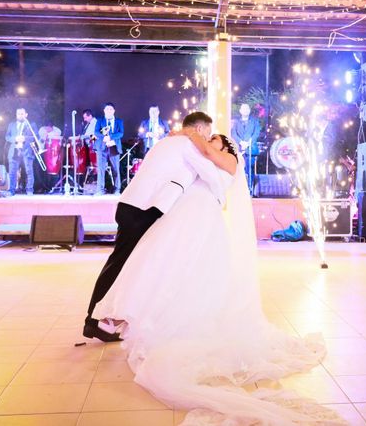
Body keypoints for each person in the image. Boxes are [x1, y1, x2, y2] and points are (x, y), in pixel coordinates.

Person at [90, 128, 339, 424]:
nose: (209, 143)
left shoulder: (225, 162)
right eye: (210, 140)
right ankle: (143, 316)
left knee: (193, 275)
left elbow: (206, 156)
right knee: (163, 268)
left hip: (201, 220)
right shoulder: (207, 159)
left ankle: (175, 323)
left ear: (227, 148)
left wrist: (188, 134)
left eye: (215, 140)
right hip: (182, 217)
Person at [82, 111, 225, 342]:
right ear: (198, 130)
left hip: (131, 204)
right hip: (143, 209)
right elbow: (209, 171)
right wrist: (222, 198)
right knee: (122, 264)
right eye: (207, 134)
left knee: (123, 262)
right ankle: (93, 320)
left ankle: (104, 320)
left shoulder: (165, 142)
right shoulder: (187, 144)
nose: (206, 140)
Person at [4, 107, 37, 195]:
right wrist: (15, 138)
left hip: (26, 150)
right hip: (14, 150)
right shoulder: (11, 125)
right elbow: (7, 137)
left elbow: (35, 137)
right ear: (16, 115)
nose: (20, 115)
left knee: (29, 171)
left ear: (26, 115)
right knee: (12, 172)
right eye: (18, 114)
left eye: (22, 114)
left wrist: (24, 138)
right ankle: (11, 190)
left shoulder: (31, 124)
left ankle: (29, 190)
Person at [94, 102, 124, 195]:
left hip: (114, 146)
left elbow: (121, 133)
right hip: (102, 147)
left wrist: (110, 137)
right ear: (104, 111)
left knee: (116, 169)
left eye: (111, 109)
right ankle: (100, 190)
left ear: (114, 111)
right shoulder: (100, 120)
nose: (109, 111)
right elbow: (96, 132)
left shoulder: (119, 121)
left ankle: (117, 189)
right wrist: (104, 137)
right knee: (101, 169)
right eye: (107, 109)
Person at [230, 103, 261, 193]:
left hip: (251, 149)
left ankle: (250, 188)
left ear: (249, 110)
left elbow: (256, 133)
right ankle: (240, 189)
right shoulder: (236, 122)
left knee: (249, 168)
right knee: (239, 169)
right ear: (240, 111)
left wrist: (248, 143)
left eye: (247, 109)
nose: (245, 110)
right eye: (243, 109)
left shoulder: (254, 121)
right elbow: (233, 134)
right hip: (239, 149)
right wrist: (241, 142)